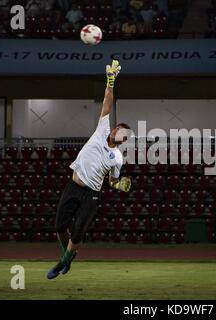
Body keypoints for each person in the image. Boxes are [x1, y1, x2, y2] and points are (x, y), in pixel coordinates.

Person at [47, 60, 132, 279]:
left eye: (124, 134)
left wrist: (120, 185)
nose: (119, 132)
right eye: (119, 128)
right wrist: (111, 80)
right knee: (59, 227)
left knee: (77, 233)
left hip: (91, 195)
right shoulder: (102, 128)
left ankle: (62, 263)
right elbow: (107, 100)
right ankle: (68, 255)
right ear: (113, 129)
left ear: (123, 140)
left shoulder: (117, 158)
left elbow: (112, 182)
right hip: (73, 185)